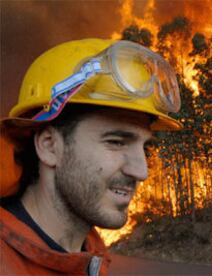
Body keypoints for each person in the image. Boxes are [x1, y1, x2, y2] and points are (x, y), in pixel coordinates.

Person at [0, 38, 182, 275]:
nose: (142, 172)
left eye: (145, 149)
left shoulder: (90, 259)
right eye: (116, 142)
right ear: (49, 146)